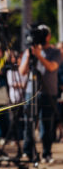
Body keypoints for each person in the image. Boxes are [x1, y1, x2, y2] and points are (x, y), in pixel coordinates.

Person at [19, 24, 61, 163]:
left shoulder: (55, 52)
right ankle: (27, 152)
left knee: (47, 125)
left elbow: (51, 67)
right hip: (32, 92)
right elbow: (22, 71)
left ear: (48, 36)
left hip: (49, 92)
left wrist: (39, 56)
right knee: (29, 123)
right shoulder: (30, 51)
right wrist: (30, 54)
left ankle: (47, 153)